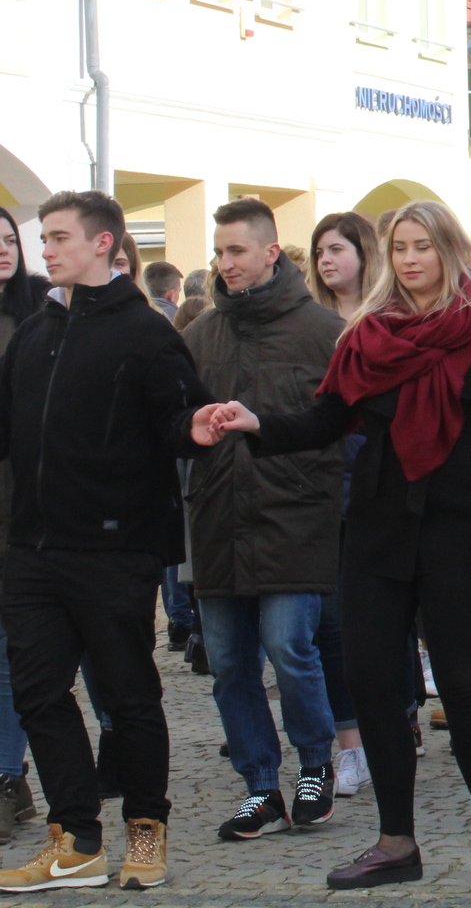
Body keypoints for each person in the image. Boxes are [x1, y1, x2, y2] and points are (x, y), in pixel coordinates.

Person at [203, 200, 471, 895]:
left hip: (461, 522)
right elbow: (327, 419)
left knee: (462, 684)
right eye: (400, 247)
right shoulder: (368, 333)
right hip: (378, 523)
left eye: (422, 246)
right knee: (374, 682)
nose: (410, 259)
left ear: (450, 250)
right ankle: (395, 843)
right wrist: (260, 424)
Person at [0, 190, 214, 892]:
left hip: (116, 547)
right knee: (38, 693)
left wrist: (194, 430)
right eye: (44, 237)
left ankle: (146, 829)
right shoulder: (35, 332)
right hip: (32, 547)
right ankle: (76, 839)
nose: (46, 249)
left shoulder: (146, 332)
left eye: (59, 237)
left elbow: (180, 419)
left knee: (127, 697)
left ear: (103, 244)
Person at [181, 200, 345, 841]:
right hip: (219, 518)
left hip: (293, 518)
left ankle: (315, 766)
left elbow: (344, 427)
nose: (225, 263)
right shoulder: (200, 336)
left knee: (290, 649)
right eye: (219, 252)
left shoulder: (323, 331)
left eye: (237, 251)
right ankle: (259, 786)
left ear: (271, 252)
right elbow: (173, 421)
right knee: (228, 664)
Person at [306, 211, 377, 797]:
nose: (326, 260)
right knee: (331, 626)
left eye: (337, 249)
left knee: (380, 623)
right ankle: (350, 742)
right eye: (320, 251)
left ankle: (394, 720)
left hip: (379, 486)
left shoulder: (386, 318)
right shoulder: (308, 323)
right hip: (322, 488)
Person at [0, 207, 47, 841]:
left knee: (10, 649)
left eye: (10, 239)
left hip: (23, 503)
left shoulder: (37, 315)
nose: (3, 250)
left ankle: (7, 776)